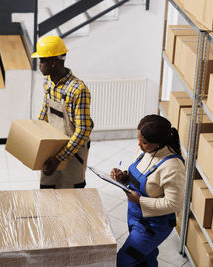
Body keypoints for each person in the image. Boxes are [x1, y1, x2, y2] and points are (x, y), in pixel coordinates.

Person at [110, 114, 185, 267]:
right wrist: (123, 177)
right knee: (145, 259)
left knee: (122, 261)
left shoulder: (173, 167)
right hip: (135, 217)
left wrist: (140, 200)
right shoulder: (144, 152)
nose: (139, 145)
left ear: (158, 143)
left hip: (153, 227)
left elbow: (174, 204)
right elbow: (142, 177)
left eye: (144, 142)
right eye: (138, 139)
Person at [31, 36, 93, 189]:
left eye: (42, 60)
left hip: (72, 154)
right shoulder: (49, 82)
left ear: (53, 62)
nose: (39, 65)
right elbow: (44, 113)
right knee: (48, 193)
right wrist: (34, 137)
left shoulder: (78, 90)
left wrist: (59, 158)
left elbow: (83, 130)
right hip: (52, 149)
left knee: (70, 200)